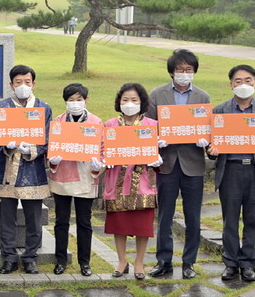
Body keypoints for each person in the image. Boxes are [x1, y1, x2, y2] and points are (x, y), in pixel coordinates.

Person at [209, 64, 255, 283]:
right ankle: (231, 264)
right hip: (230, 170)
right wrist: (211, 150)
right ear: (231, 84)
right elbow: (212, 142)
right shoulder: (220, 111)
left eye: (248, 80)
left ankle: (248, 263)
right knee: (230, 220)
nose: (243, 85)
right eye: (238, 81)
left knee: (252, 220)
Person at [147, 49, 211, 280]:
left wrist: (207, 139)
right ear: (171, 72)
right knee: (165, 215)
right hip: (167, 163)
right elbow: (147, 127)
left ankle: (189, 262)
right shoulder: (157, 94)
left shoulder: (203, 97)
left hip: (193, 163)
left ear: (194, 72)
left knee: (193, 215)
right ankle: (164, 261)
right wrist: (156, 140)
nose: (184, 74)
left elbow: (208, 128)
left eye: (188, 70)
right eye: (180, 70)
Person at [0, 64, 52, 275]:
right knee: (7, 217)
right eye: (18, 82)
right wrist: (5, 145)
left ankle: (30, 257)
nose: (23, 86)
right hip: (8, 169)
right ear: (11, 85)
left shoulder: (43, 108)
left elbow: (48, 138)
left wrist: (33, 148)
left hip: (33, 170)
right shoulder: (2, 107)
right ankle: (9, 257)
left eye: (27, 82)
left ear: (33, 83)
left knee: (33, 219)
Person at [102, 83, 163, 280]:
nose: (129, 104)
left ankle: (139, 263)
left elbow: (159, 151)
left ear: (142, 102)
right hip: (117, 181)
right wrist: (104, 159)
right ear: (119, 102)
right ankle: (121, 261)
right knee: (118, 223)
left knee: (141, 224)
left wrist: (158, 157)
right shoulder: (109, 125)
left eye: (134, 100)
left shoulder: (152, 125)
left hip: (143, 180)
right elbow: (102, 150)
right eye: (125, 100)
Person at [47, 83, 102, 276]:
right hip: (63, 178)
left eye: (79, 99)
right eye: (71, 100)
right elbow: (51, 149)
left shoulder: (96, 122)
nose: (75, 103)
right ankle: (60, 260)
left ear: (86, 100)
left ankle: (84, 262)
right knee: (61, 221)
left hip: (86, 177)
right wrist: (52, 160)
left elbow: (102, 150)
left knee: (84, 222)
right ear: (65, 102)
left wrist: (98, 164)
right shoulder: (59, 122)